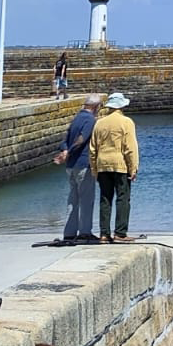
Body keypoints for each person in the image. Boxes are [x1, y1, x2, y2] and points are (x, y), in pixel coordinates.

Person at [88, 91, 139, 242]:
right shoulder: (126, 122)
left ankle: (104, 234)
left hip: (102, 164)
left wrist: (94, 169)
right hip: (120, 164)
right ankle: (120, 233)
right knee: (123, 198)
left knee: (105, 199)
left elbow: (92, 148)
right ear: (122, 106)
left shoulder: (99, 123)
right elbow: (130, 148)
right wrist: (133, 168)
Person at [53, 93, 102, 242]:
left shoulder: (76, 118)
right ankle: (85, 232)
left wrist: (65, 151)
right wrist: (69, 152)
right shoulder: (89, 120)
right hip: (83, 164)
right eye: (100, 106)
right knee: (86, 199)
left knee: (72, 198)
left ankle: (69, 233)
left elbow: (65, 139)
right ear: (95, 107)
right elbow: (82, 139)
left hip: (71, 166)